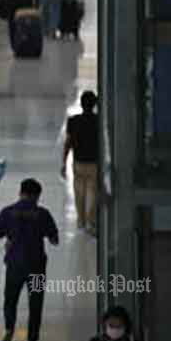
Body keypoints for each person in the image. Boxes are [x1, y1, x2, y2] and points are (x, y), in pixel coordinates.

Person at [0, 178, 60, 341]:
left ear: (20, 192)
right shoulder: (42, 214)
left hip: (15, 264)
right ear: (37, 196)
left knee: (10, 300)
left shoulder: (9, 212)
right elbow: (54, 240)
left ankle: (9, 329)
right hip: (36, 266)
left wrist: (9, 237)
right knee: (35, 305)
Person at [63, 91, 100, 234]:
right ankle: (91, 221)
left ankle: (81, 221)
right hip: (94, 163)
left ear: (82, 104)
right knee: (93, 192)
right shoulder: (98, 121)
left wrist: (64, 161)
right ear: (94, 104)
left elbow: (68, 143)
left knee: (79, 192)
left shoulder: (73, 121)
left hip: (78, 162)